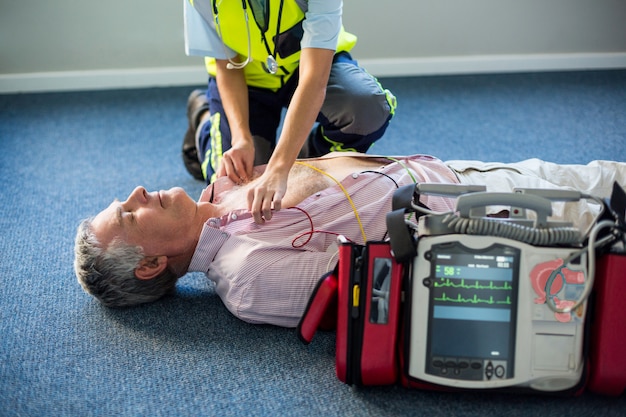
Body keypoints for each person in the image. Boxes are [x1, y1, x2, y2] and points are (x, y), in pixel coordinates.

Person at [74, 153, 626, 327]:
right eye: (128, 214)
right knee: (608, 193)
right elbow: (393, 285)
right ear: (150, 265)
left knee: (603, 173)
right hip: (487, 214)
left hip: (452, 171)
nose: (139, 191)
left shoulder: (222, 190)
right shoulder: (249, 274)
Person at [181, 0, 396, 224]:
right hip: (246, 80)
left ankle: (301, 156)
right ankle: (204, 114)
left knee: (367, 111)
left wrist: (279, 168)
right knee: (233, 188)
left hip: (310, 67)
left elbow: (314, 80)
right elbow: (227, 64)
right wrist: (241, 139)